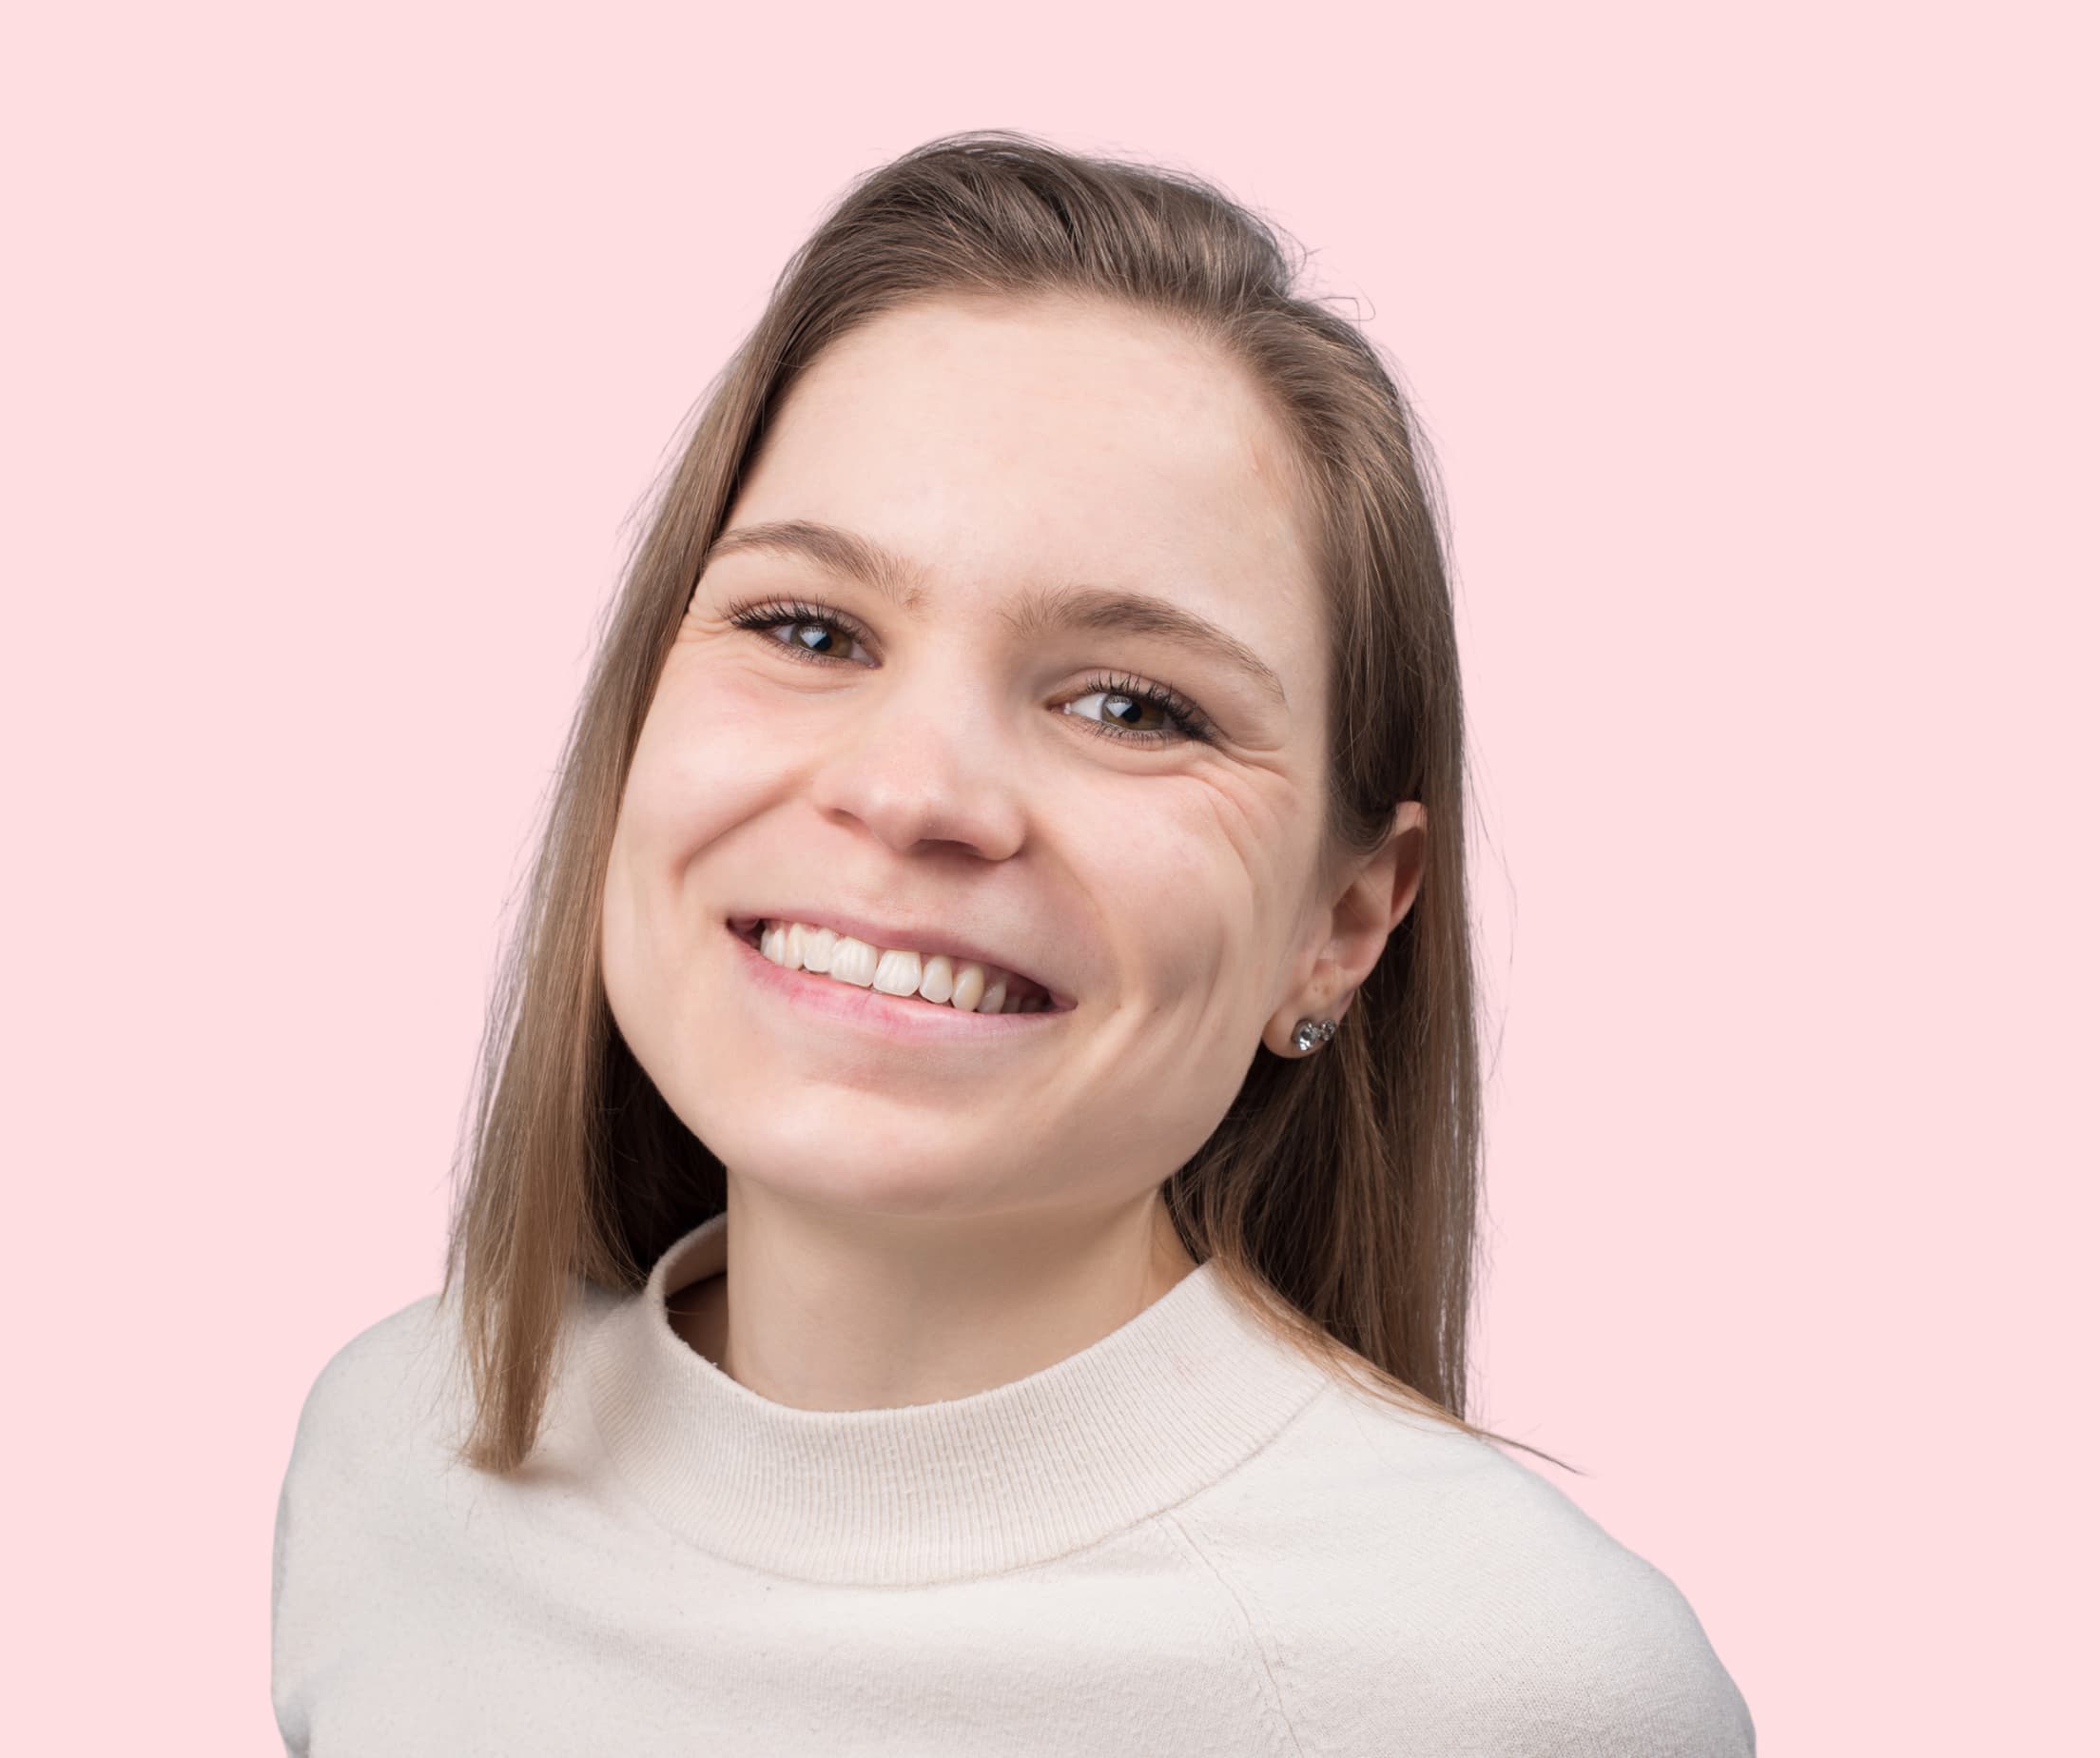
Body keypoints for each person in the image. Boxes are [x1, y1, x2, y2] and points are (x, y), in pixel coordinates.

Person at [270, 129, 1753, 1755]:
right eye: (808, 628)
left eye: (1134, 705)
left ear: (1341, 927)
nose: (915, 793)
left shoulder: (1514, 1689)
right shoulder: (393, 1463)